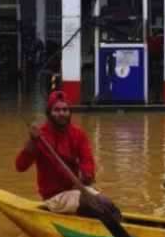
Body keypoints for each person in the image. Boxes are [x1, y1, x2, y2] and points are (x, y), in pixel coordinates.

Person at [15, 90, 119, 220]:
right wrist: (32, 141)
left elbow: (87, 160)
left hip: (77, 189)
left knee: (107, 205)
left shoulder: (78, 134)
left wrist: (86, 176)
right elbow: (20, 166)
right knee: (97, 205)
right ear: (49, 113)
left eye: (65, 110)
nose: (61, 113)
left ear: (69, 112)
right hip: (54, 197)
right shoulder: (40, 137)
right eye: (57, 110)